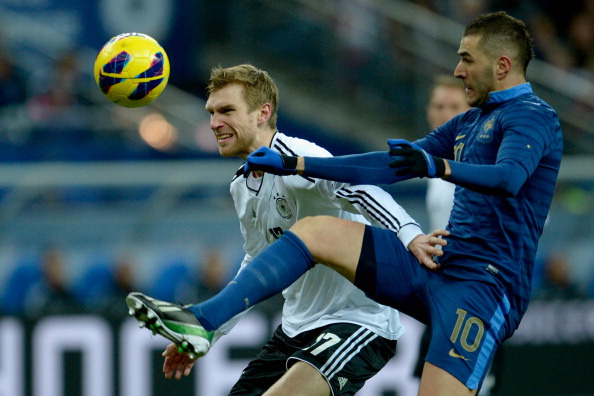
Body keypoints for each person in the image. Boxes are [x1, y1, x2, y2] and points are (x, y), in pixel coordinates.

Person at [128, 11, 563, 395]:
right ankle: (202, 320)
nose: (457, 69)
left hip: (484, 289)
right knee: (315, 232)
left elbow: (509, 179)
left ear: (502, 65)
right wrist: (298, 164)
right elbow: (384, 168)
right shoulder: (470, 122)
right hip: (438, 262)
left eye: (466, 59)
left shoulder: (533, 116)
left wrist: (436, 166)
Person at [127, 64, 442, 395]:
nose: (214, 122)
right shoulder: (242, 185)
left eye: (226, 111)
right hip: (295, 328)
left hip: (357, 320)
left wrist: (410, 234)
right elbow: (256, 261)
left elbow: (361, 189)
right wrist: (210, 330)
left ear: (263, 113)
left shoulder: (299, 158)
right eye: (212, 112)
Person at [413, 74, 470, 380]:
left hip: (472, 292)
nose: (445, 114)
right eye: (438, 106)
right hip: (441, 291)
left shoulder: (481, 161)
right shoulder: (434, 163)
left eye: (453, 106)